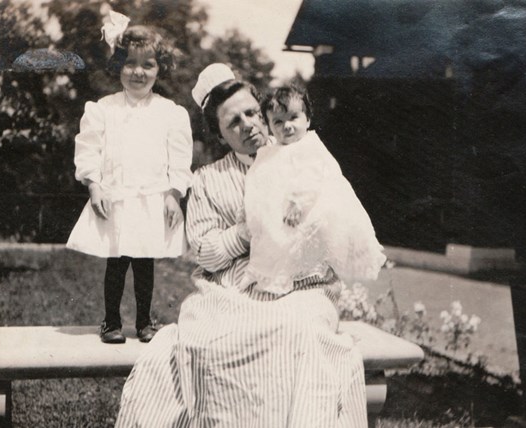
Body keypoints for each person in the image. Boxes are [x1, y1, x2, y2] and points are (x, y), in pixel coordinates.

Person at [115, 63, 369, 427]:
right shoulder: (207, 181)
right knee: (207, 343)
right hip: (232, 290)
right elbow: (204, 251)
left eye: (252, 112)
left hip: (301, 285)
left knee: (298, 331)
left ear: (265, 113)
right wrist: (247, 232)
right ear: (220, 136)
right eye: (233, 122)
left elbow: (333, 220)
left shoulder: (301, 160)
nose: (248, 124)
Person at [66, 12, 193, 344]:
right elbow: (89, 149)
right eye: (130, 64)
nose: (139, 72)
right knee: (117, 261)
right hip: (116, 198)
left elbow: (179, 159)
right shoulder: (103, 109)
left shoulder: (170, 113)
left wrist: (173, 194)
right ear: (117, 66)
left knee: (144, 263)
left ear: (159, 68)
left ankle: (144, 321)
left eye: (148, 64)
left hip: (151, 198)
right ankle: (110, 321)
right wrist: (94, 185)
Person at [241, 86, 386, 295]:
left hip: (307, 208)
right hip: (280, 212)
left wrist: (298, 202)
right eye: (278, 122)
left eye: (293, 118)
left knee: (295, 245)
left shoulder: (308, 146)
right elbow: (259, 180)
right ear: (270, 126)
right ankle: (266, 276)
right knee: (272, 243)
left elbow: (311, 176)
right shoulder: (272, 152)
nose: (287, 126)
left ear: (307, 119)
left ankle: (298, 279)